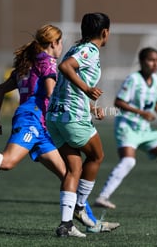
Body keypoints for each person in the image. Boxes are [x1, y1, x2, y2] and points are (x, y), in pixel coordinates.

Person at [0, 24, 118, 237]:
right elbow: (50, 91)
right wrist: (88, 105)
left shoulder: (28, 63)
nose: (62, 46)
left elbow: (0, 89)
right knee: (6, 162)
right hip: (32, 121)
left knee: (69, 174)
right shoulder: (47, 63)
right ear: (53, 44)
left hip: (39, 124)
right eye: (60, 42)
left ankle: (88, 222)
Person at [46, 13, 110, 237]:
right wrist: (87, 90)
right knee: (97, 156)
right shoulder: (89, 51)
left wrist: (91, 108)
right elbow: (65, 67)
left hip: (54, 117)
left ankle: (66, 224)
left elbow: (66, 85)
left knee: (74, 168)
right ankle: (80, 207)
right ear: (105, 32)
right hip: (72, 118)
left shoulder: (75, 48)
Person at [94, 47, 157, 210]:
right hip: (127, 127)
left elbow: (155, 100)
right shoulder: (133, 79)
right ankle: (102, 197)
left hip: (144, 130)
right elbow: (118, 102)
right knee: (128, 161)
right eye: (150, 60)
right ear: (142, 62)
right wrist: (141, 112)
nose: (154, 63)